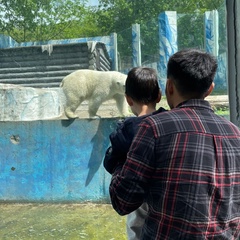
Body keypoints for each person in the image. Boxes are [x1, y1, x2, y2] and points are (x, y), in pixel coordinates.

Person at [108, 49, 240, 239]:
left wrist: (120, 160)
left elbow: (122, 201)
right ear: (210, 88)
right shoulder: (236, 135)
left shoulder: (154, 128)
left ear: (169, 86)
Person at [103, 67, 166, 239]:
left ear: (128, 99)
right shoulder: (168, 121)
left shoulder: (127, 129)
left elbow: (110, 162)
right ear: (159, 95)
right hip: (164, 190)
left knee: (136, 225)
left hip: (139, 192)